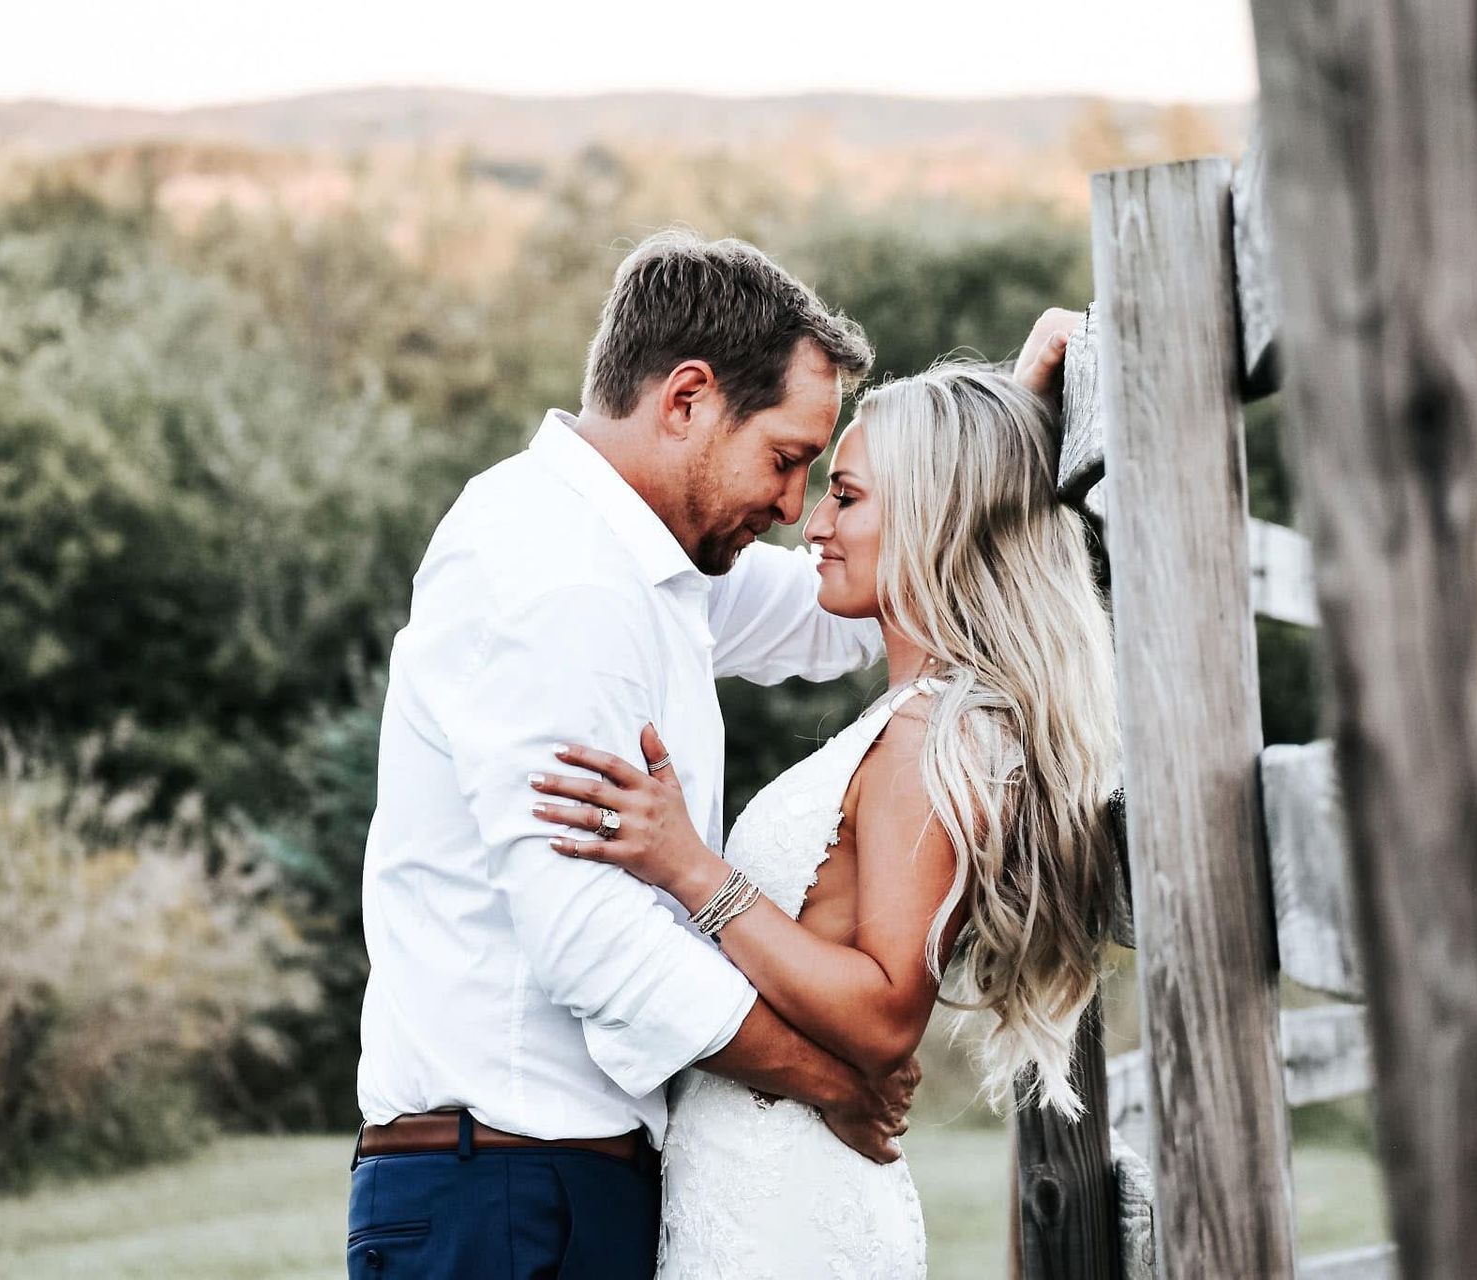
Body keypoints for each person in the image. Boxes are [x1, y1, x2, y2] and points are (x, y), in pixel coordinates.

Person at [351, 229, 923, 1280]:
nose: (795, 508)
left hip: (548, 1182)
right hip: (508, 1191)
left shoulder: (642, 563)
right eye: (788, 458)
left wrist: (1001, 433)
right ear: (688, 399)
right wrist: (825, 1075)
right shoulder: (561, 576)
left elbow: (848, 601)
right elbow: (590, 937)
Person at [530, 355, 1119, 1277]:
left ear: (933, 516)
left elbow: (888, 1014)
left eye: (844, 496)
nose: (814, 522)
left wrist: (692, 869)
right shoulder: (915, 714)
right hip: (747, 1187)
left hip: (793, 1211)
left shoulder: (941, 732)